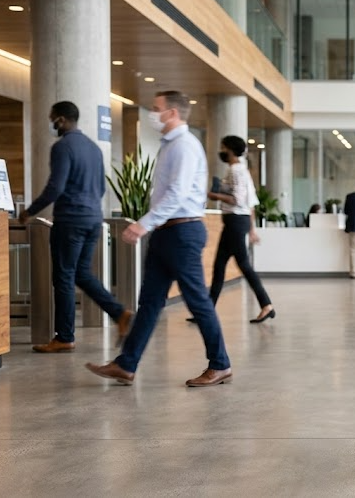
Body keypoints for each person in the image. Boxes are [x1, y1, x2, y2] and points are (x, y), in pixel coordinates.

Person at [86, 90, 232, 387]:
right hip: (167, 233)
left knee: (197, 300)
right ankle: (126, 364)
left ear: (173, 113)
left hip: (182, 232)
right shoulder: (170, 146)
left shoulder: (184, 146)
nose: (153, 113)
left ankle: (221, 364)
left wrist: (144, 223)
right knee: (150, 301)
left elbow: (177, 193)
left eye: (157, 108)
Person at [19, 102, 133, 353]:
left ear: (60, 120)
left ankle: (64, 337)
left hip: (70, 220)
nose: (52, 124)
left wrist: (29, 212)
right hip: (93, 219)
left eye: (52, 119)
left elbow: (55, 187)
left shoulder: (62, 147)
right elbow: (102, 187)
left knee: (64, 277)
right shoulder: (93, 148)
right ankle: (119, 313)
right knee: (81, 273)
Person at [187, 135, 275, 324]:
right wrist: (251, 229)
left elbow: (237, 200)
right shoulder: (240, 171)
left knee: (243, 265)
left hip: (235, 222)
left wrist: (212, 195)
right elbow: (251, 203)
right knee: (220, 266)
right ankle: (206, 312)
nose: (221, 151)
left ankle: (266, 305)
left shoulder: (236, 171)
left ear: (230, 150)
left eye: (223, 147)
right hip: (237, 222)